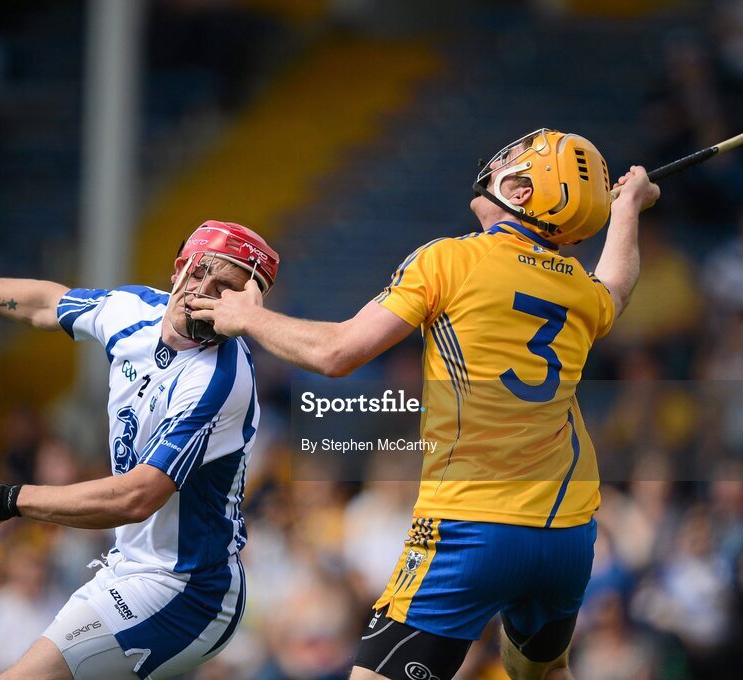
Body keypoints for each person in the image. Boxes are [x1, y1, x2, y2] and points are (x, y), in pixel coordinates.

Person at [191, 129, 660, 680]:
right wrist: (627, 208)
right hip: (568, 534)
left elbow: (338, 353)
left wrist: (247, 318)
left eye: (511, 163)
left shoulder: (449, 260)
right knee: (540, 671)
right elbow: (618, 286)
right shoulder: (580, 289)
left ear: (524, 192)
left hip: (471, 526)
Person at [0, 219, 279, 679]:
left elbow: (137, 496)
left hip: (188, 589)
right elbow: (48, 303)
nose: (203, 292)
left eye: (225, 289)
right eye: (199, 274)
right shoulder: (133, 309)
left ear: (245, 306)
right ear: (178, 270)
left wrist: (12, 499)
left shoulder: (219, 380)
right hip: (129, 566)